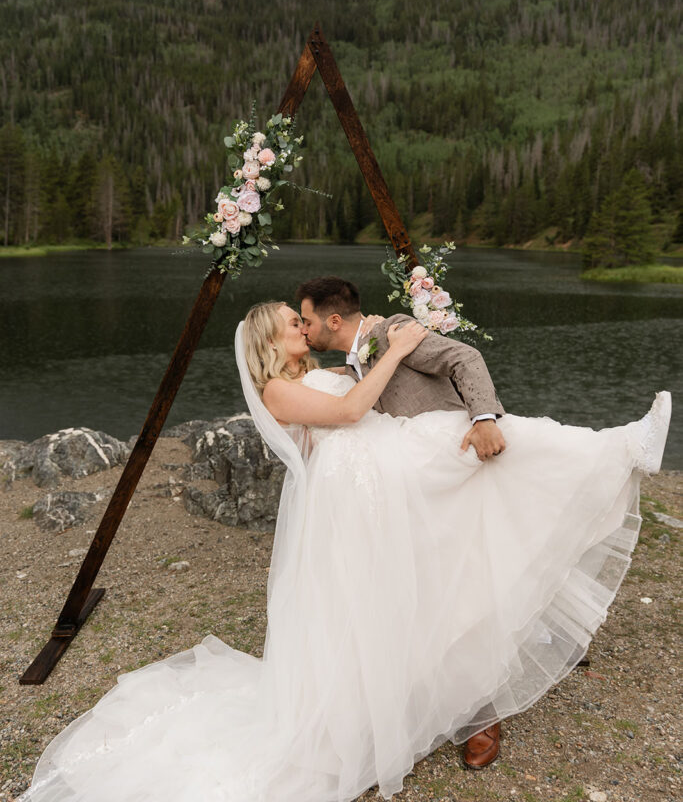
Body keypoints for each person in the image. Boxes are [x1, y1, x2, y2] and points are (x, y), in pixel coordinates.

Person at [19, 299, 671, 802]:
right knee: (435, 508)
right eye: (289, 324)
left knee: (475, 472)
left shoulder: (319, 370)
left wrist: (404, 336)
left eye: (299, 321)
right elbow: (356, 407)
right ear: (267, 343)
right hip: (360, 487)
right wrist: (401, 348)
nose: (302, 327)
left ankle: (610, 451)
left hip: (377, 471)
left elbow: (370, 383)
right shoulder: (279, 390)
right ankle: (612, 449)